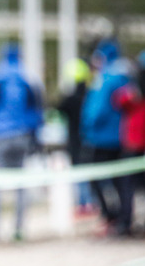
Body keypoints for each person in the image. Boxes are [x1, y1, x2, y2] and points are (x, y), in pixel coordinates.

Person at [0, 42, 44, 243]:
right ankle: (19, 229)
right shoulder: (28, 77)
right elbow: (38, 110)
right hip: (23, 137)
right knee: (21, 185)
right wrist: (35, 136)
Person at [80, 38, 132, 236]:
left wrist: (87, 127)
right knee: (121, 182)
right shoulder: (125, 75)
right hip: (120, 137)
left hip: (101, 138)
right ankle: (123, 220)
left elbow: (96, 109)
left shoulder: (105, 77)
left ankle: (111, 216)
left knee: (96, 178)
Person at [112, 49, 145, 236]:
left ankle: (128, 223)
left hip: (138, 143)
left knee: (131, 186)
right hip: (144, 142)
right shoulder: (141, 88)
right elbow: (119, 100)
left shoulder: (144, 89)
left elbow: (120, 100)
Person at [56, 57, 94, 216]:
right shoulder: (91, 95)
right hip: (91, 140)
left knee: (81, 173)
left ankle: (85, 203)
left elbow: (58, 108)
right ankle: (88, 202)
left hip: (76, 140)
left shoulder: (71, 99)